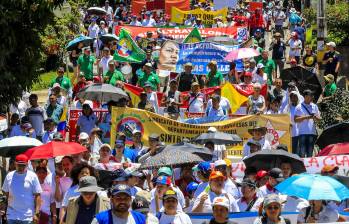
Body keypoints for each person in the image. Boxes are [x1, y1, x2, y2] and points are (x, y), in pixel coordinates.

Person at [2, 154, 42, 224]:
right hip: (12, 215)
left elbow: (37, 196)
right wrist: (4, 210)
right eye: (19, 165)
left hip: (28, 217)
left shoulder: (33, 176)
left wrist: (37, 213)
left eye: (23, 165)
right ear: (15, 164)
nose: (21, 167)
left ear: (27, 164)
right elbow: (5, 195)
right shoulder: (9, 176)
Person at [294, 89, 321, 157]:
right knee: (302, 153)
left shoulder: (314, 106)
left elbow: (319, 119)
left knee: (310, 153)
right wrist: (306, 117)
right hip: (302, 133)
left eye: (312, 95)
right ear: (305, 96)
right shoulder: (299, 107)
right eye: (310, 95)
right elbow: (296, 120)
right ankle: (302, 166)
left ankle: (309, 167)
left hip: (312, 133)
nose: (312, 97)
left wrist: (315, 117)